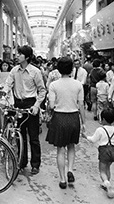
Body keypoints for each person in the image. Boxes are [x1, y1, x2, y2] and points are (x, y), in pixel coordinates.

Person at [3, 45, 46, 174]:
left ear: (27, 57)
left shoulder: (35, 71)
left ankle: (35, 164)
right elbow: (8, 84)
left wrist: (36, 106)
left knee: (33, 136)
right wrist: (4, 94)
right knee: (19, 135)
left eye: (20, 54)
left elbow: (42, 90)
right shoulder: (14, 71)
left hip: (31, 104)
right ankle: (22, 162)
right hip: (18, 105)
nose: (17, 56)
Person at [45, 57, 85, 189]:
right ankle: (71, 170)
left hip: (59, 118)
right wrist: (83, 123)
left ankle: (62, 179)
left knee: (60, 150)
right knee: (71, 146)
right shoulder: (78, 84)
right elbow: (81, 105)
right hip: (74, 117)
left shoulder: (54, 85)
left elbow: (51, 105)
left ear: (58, 69)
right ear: (72, 69)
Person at [83, 108, 114, 199]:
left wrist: (86, 137)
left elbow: (93, 140)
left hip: (104, 151)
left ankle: (107, 184)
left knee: (102, 170)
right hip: (112, 151)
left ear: (103, 119)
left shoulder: (100, 130)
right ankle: (107, 182)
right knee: (108, 168)